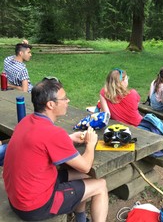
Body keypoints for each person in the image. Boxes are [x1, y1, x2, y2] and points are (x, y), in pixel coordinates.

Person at [3, 77, 108, 222]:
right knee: (100, 185)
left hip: (18, 198)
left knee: (85, 179)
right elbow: (85, 166)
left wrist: (69, 138)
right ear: (51, 104)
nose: (68, 101)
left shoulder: (26, 121)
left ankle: (81, 219)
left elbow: (41, 142)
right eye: (64, 99)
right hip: (36, 206)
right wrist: (90, 144)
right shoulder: (53, 134)